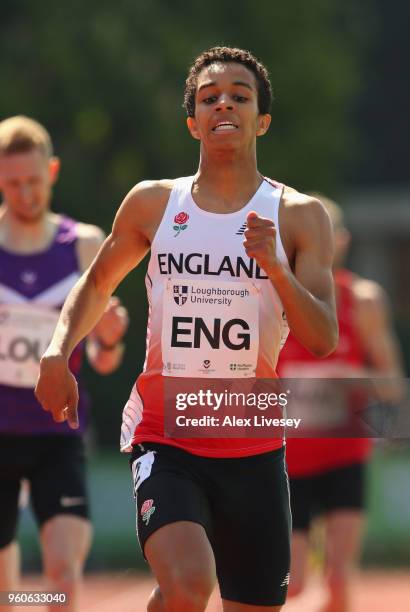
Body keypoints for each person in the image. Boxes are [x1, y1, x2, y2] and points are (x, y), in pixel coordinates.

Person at [35, 47, 338, 612]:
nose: (224, 103)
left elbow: (322, 336)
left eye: (240, 96)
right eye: (209, 97)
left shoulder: (299, 216)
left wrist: (274, 267)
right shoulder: (153, 204)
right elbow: (97, 284)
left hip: (254, 446)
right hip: (167, 435)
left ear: (261, 120)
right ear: (193, 122)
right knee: (189, 585)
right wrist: (57, 351)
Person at [0, 116, 128, 612]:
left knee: (63, 575)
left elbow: (103, 359)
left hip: (58, 433)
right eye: (12, 183)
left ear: (52, 171)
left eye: (34, 180)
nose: (25, 193)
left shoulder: (84, 246)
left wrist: (111, 341)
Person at [278, 194, 404, 612]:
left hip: (344, 455)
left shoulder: (364, 301)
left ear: (343, 241)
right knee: (290, 584)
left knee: (338, 574)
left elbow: (393, 385)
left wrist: (351, 379)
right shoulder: (273, 301)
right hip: (288, 460)